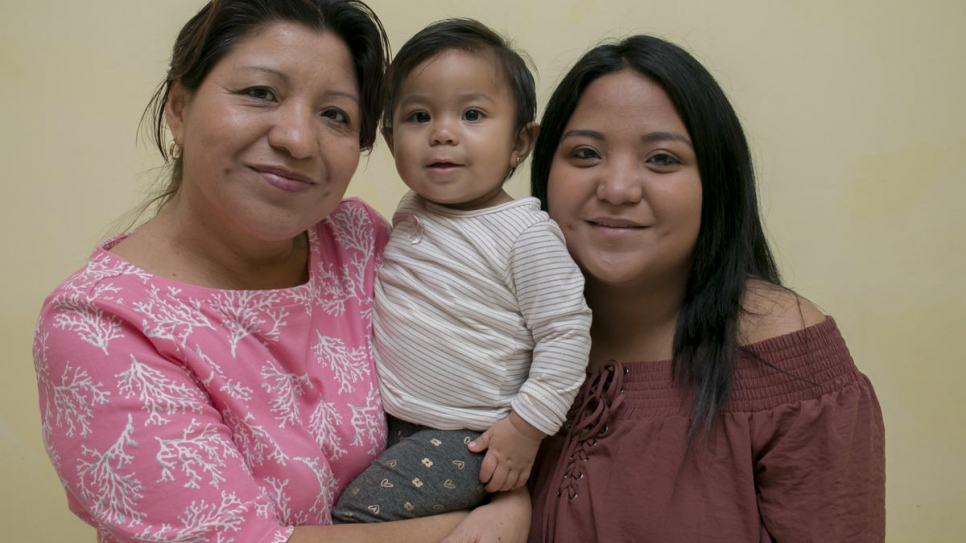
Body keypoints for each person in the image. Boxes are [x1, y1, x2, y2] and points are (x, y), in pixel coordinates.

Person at [32, 1, 528, 542]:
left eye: (334, 114)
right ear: (178, 107)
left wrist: (512, 484)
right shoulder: (100, 329)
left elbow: (475, 385)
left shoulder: (357, 241)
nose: (297, 139)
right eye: (260, 93)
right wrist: (480, 522)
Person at [523, 35, 886, 542]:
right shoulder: (505, 329)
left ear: (716, 180)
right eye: (585, 153)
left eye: (662, 159)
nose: (618, 189)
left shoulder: (790, 360)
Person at [332, 19, 591, 523]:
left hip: (471, 438)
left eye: (472, 114)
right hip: (393, 422)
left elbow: (566, 333)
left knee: (357, 518)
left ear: (519, 143)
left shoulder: (525, 234)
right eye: (419, 116)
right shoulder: (410, 213)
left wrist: (525, 428)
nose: (443, 133)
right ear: (390, 141)